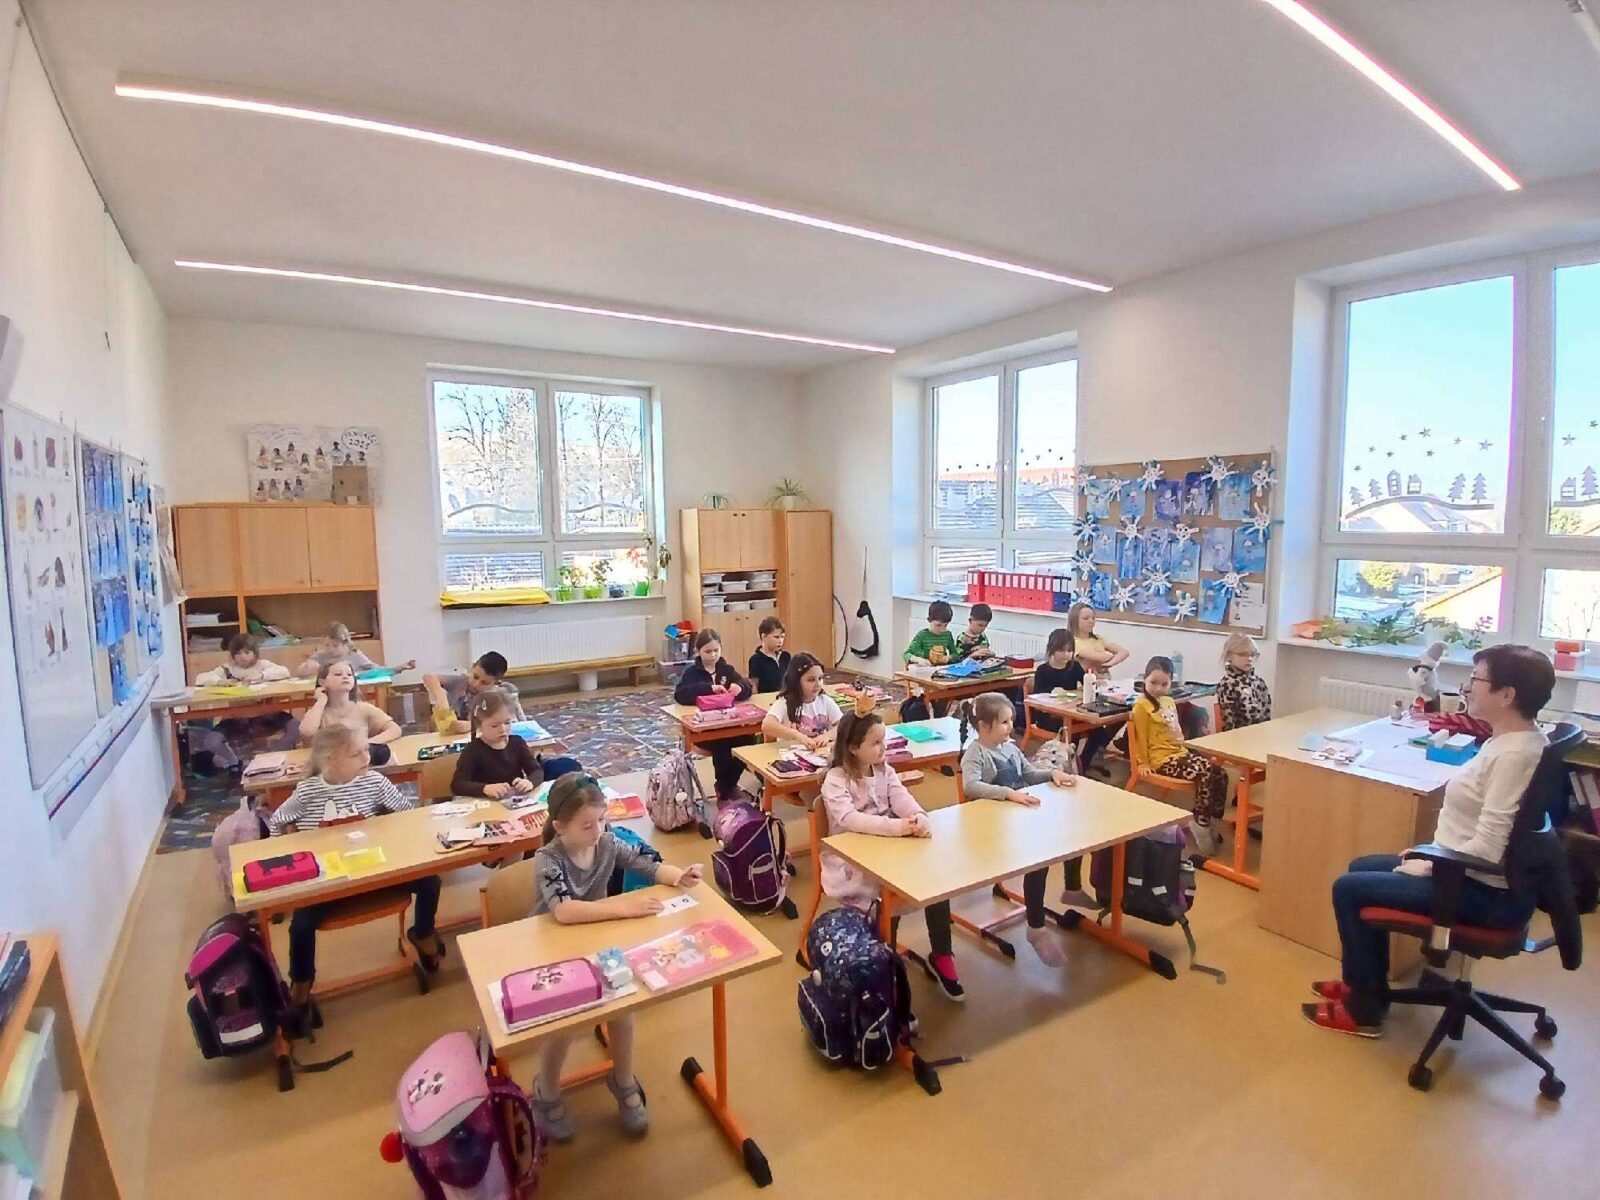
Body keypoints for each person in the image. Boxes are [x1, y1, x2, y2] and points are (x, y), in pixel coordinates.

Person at [1304, 644, 1553, 1038]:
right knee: (1361, 868)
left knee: (1348, 888)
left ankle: (1363, 1010)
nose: (1467, 687)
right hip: (1469, 873)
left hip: (1483, 891)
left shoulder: (1513, 756)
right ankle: (1367, 986)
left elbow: (1489, 850)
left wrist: (1429, 860)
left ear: (1507, 695)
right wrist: (1430, 857)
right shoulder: (1513, 739)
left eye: (1476, 680)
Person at [529, 774, 702, 1140]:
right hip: (554, 947)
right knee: (566, 1019)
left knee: (624, 1006)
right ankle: (546, 1089)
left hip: (597, 937)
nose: (598, 830)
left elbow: (647, 864)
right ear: (559, 827)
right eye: (587, 825)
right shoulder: (547, 858)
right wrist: (624, 908)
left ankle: (622, 1078)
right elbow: (563, 911)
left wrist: (679, 876)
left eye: (601, 820)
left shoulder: (606, 842)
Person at [267, 724, 443, 1014]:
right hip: (328, 882)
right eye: (356, 754)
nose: (366, 758)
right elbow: (277, 821)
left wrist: (392, 832)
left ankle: (422, 932)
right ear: (330, 761)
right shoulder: (309, 790)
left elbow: (408, 815)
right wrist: (283, 849)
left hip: (375, 872)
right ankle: (301, 981)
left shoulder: (374, 781)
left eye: (366, 750)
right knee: (300, 926)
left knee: (430, 882)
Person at [821, 704, 962, 999]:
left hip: (887, 847)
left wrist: (919, 816)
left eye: (883, 740)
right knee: (889, 891)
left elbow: (902, 799)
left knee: (937, 879)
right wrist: (898, 827)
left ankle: (942, 953)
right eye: (876, 743)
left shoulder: (884, 771)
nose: (883, 748)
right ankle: (886, 967)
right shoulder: (835, 779)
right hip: (852, 861)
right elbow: (849, 820)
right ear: (853, 748)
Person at [958, 693, 1077, 965]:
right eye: (1004, 722)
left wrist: (1052, 774)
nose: (1010, 726)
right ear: (983, 726)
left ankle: (1073, 886)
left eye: (1011, 720)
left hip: (1018, 820)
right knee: (1039, 860)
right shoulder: (975, 753)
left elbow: (1028, 773)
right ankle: (1036, 928)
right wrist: (1008, 794)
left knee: (1071, 832)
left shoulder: (1010, 748)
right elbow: (971, 786)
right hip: (993, 829)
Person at [1130, 656, 1231, 856]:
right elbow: (1140, 737)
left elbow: (1174, 732)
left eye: (1164, 684)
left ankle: (1211, 819)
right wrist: (1143, 763)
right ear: (1144, 679)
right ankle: (1200, 823)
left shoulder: (1169, 701)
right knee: (1206, 773)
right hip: (1161, 760)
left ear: (1171, 683)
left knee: (1220, 773)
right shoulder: (1141, 706)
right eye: (1153, 682)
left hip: (1179, 753)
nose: (1158, 688)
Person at [451, 690, 582, 798]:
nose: (502, 729)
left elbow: (536, 770)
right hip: (485, 804)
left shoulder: (517, 743)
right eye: (494, 725)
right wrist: (485, 788)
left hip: (513, 802)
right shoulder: (472, 750)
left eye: (507, 723)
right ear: (479, 725)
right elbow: (457, 784)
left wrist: (529, 782)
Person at [672, 628, 754, 800]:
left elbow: (747, 686)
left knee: (748, 739)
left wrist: (740, 688)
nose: (713, 655)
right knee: (722, 743)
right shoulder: (692, 673)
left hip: (727, 723)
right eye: (708, 651)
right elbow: (680, 694)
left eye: (716, 650)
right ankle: (725, 792)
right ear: (698, 651)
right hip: (703, 729)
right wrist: (708, 689)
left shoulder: (726, 670)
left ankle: (726, 786)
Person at [298, 659, 401, 765]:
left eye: (349, 674)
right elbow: (307, 731)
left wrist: (365, 743)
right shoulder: (319, 712)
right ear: (322, 682)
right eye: (338, 674)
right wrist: (321, 700)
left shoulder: (363, 708)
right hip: (331, 765)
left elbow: (395, 729)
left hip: (359, 764)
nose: (345, 677)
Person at [423, 651, 525, 736]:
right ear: (472, 667)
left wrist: (470, 726)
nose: (476, 684)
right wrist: (440, 695)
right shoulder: (460, 681)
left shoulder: (500, 696)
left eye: (484, 683)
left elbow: (511, 725)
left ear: (496, 683)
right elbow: (429, 677)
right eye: (475, 677)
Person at [761, 652, 843, 751]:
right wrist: (796, 735)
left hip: (817, 753)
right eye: (811, 680)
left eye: (820, 678)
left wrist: (827, 736)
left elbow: (843, 725)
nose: (818, 684)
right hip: (790, 754)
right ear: (796, 681)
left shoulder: (825, 701)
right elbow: (767, 725)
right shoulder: (784, 703)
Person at [294, 621, 415, 677]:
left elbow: (376, 670)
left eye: (335, 646)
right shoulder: (321, 655)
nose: (330, 649)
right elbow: (299, 672)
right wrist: (307, 668)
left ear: (346, 644)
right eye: (326, 645)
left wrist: (399, 668)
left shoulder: (354, 655)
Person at [1216, 633, 1272, 731]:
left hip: (1260, 733)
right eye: (1242, 654)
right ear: (1229, 655)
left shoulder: (1259, 682)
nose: (1249, 659)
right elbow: (1229, 723)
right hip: (1238, 736)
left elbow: (1266, 715)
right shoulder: (1227, 684)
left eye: (1252, 654)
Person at [195, 633, 290, 685]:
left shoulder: (263, 665)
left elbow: (285, 672)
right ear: (233, 656)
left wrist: (262, 675)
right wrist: (219, 681)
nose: (243, 657)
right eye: (238, 654)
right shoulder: (228, 669)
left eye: (247, 652)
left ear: (255, 653)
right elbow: (199, 679)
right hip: (237, 712)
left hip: (263, 709)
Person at [903, 600, 957, 666]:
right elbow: (906, 654)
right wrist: (919, 659)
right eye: (938, 625)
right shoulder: (922, 635)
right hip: (924, 669)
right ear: (929, 620)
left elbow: (955, 655)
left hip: (940, 669)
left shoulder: (947, 635)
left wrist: (948, 658)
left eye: (945, 625)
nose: (942, 630)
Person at [747, 617, 791, 693]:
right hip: (766, 697)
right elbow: (754, 686)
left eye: (782, 637)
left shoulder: (786, 656)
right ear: (763, 636)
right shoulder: (756, 660)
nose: (780, 641)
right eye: (776, 637)